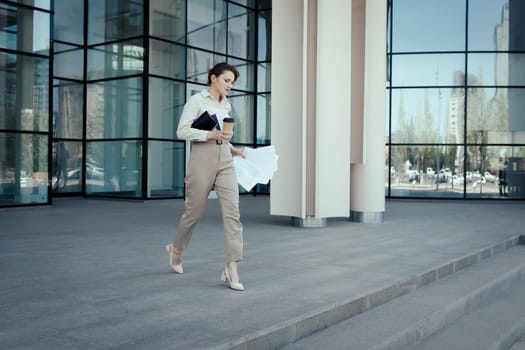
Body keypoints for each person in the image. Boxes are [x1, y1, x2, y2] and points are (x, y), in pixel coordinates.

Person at [165, 62, 246, 291]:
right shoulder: (197, 101)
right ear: (213, 78)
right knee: (194, 212)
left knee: (233, 214)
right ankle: (177, 249)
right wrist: (209, 133)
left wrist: (234, 149)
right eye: (227, 80)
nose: (230, 85)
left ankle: (232, 267)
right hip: (202, 158)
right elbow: (182, 131)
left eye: (232, 82)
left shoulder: (226, 105)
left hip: (225, 160)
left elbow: (222, 136)